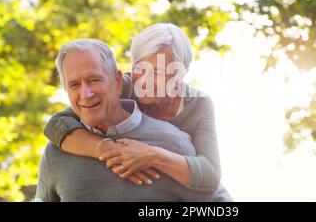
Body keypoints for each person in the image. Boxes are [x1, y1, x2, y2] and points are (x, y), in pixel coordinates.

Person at [35, 39, 229, 201]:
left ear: (117, 82)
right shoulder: (56, 152)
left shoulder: (175, 144)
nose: (86, 94)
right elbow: (55, 124)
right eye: (74, 84)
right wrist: (106, 148)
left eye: (94, 79)